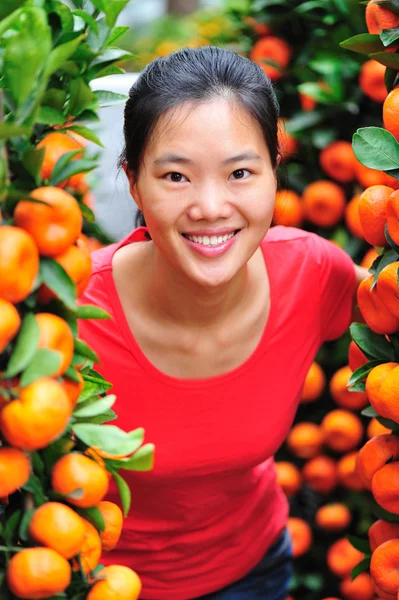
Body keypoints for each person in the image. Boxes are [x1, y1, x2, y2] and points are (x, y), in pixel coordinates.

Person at [78, 45, 369, 600]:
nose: (210, 206)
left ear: (274, 175)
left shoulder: (312, 272)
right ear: (133, 181)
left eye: (239, 172)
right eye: (176, 177)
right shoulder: (69, 314)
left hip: (254, 569)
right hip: (98, 582)